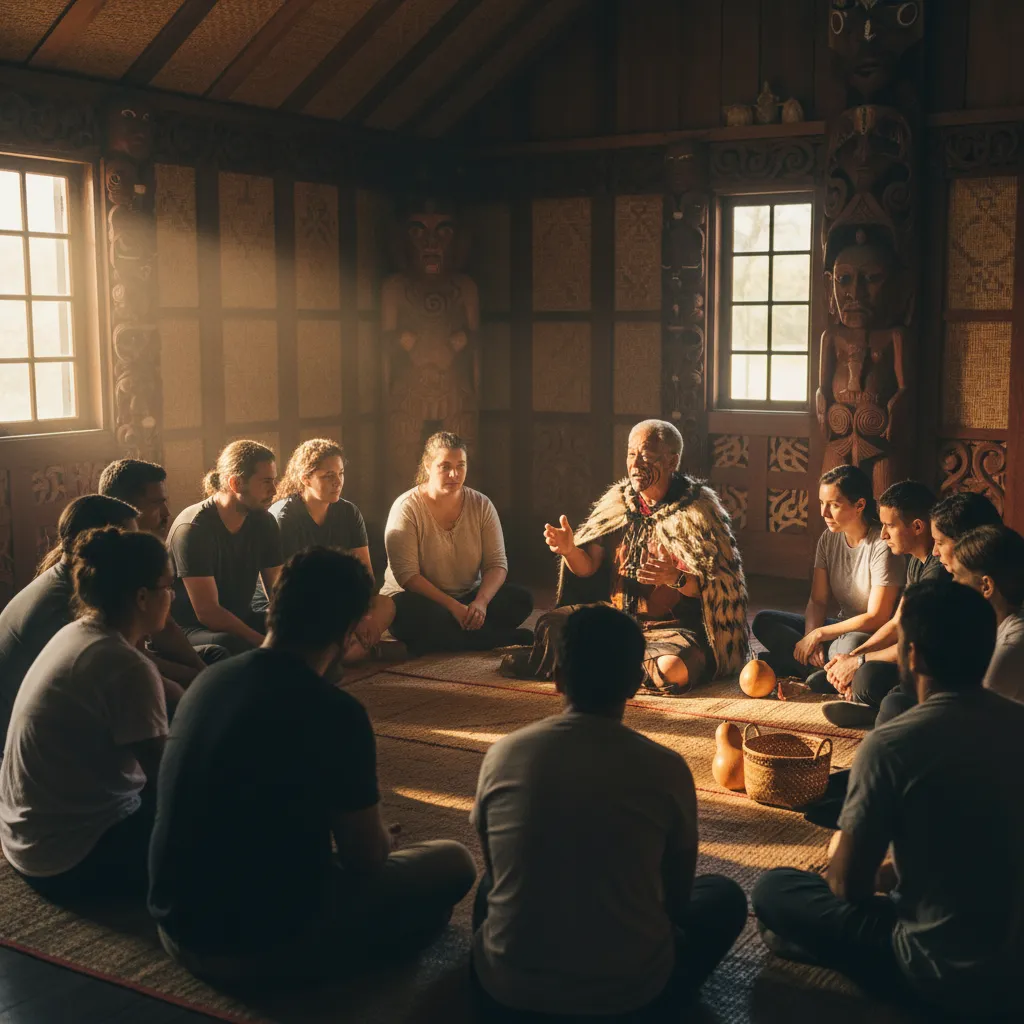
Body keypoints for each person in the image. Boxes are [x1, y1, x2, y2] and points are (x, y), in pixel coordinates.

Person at [149, 548, 476, 984]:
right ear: (347, 632)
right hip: (259, 949)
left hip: (177, 928)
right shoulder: (335, 711)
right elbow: (367, 859)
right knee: (453, 862)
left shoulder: (210, 679)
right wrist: (373, 839)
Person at [752, 582, 1024, 1019]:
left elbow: (849, 886)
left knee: (774, 889)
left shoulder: (894, 743)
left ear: (910, 655)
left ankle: (829, 950)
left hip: (936, 972)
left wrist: (865, 867)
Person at [472, 604, 747, 1018]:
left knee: (490, 888)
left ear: (558, 677)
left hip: (505, 996)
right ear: (637, 683)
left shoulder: (502, 755)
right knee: (724, 898)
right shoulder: (667, 769)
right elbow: (674, 900)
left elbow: (495, 868)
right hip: (630, 1000)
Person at [504, 419, 747, 694]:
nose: (636, 464)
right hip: (614, 622)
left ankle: (589, 664)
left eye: (647, 456)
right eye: (631, 454)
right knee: (551, 625)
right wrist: (570, 550)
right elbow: (588, 569)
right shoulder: (617, 503)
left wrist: (674, 577)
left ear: (672, 461)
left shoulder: (697, 512)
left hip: (669, 631)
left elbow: (715, 589)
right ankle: (615, 666)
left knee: (673, 669)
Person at [0, 527, 171, 904]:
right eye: (168, 587)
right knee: (224, 817)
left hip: (25, 840)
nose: (172, 597)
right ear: (142, 597)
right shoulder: (123, 665)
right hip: (71, 860)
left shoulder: (79, 632)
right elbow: (168, 778)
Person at [0, 495, 139, 752]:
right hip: (22, 744)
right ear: (98, 542)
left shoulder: (67, 581)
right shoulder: (64, 604)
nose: (134, 554)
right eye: (127, 543)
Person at [380, 431, 533, 654]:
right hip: (420, 600)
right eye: (445, 466)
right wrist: (453, 608)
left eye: (461, 465)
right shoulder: (407, 507)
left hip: (467, 597)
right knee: (413, 617)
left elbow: (497, 564)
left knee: (521, 600)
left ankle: (445, 640)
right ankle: (494, 639)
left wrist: (480, 603)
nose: (454, 474)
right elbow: (407, 576)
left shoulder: (481, 505)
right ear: (427, 466)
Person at [752, 465, 903, 685]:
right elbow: (818, 600)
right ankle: (822, 671)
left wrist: (820, 635)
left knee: (849, 647)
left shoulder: (881, 544)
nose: (824, 513)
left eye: (833, 505)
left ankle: (807, 668)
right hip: (838, 628)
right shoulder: (828, 539)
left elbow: (877, 617)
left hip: (869, 636)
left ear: (860, 505)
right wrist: (811, 639)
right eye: (822, 503)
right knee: (764, 621)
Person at [820, 481, 949, 729]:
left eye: (889, 526)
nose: (882, 535)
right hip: (907, 662)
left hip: (928, 669)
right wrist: (851, 657)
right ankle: (874, 706)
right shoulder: (914, 561)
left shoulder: (938, 571)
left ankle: (878, 714)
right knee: (839, 674)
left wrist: (859, 663)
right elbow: (897, 622)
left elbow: (914, 647)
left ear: (917, 527)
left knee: (867, 678)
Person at [874, 490, 1004, 726]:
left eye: (940, 542)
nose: (935, 551)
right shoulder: (938, 572)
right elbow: (898, 622)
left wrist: (860, 660)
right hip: (955, 689)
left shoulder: (960, 589)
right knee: (893, 695)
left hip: (967, 707)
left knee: (890, 697)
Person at [266, 439, 395, 660]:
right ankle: (355, 651)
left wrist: (361, 616)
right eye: (328, 476)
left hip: (340, 602)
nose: (338, 482)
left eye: (341, 473)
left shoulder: (348, 513)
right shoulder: (285, 518)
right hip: (301, 606)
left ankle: (345, 651)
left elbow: (366, 576)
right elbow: (283, 591)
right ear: (305, 478)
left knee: (386, 604)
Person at [99, 457, 228, 679]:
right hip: (114, 668)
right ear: (126, 507)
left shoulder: (141, 550)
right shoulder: (108, 561)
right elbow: (132, 656)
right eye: (156, 503)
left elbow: (165, 628)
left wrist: (201, 670)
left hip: (139, 654)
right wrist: (197, 678)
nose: (167, 513)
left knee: (215, 656)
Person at [167, 440, 282, 656]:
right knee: (234, 646)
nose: (274, 490)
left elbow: (278, 591)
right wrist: (265, 643)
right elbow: (208, 613)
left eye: (274, 480)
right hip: (192, 629)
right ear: (236, 483)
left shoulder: (264, 521)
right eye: (266, 482)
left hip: (240, 618)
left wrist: (291, 629)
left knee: (310, 631)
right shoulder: (194, 529)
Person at [951, 524, 1024, 703]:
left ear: (986, 586)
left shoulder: (1010, 646)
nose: (952, 584)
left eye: (957, 576)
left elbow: (969, 716)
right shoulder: (991, 628)